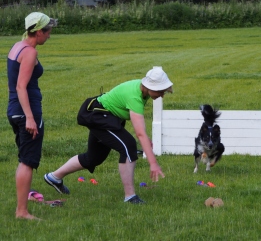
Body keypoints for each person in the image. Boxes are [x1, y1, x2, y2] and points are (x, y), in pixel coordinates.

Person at [44, 66, 173, 204]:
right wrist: (153, 163)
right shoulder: (135, 96)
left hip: (104, 116)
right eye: (160, 91)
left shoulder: (142, 90)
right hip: (100, 116)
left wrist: (146, 138)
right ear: (149, 86)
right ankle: (130, 196)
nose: (162, 95)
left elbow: (139, 126)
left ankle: (54, 177)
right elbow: (139, 133)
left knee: (94, 158)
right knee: (128, 146)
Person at [7, 12, 57, 219]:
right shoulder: (29, 53)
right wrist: (30, 117)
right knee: (27, 161)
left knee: (24, 159)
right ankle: (22, 212)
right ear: (38, 32)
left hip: (14, 110)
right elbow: (21, 87)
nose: (49, 36)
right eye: (48, 32)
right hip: (26, 112)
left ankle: (26, 199)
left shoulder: (17, 46)